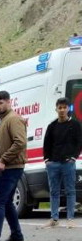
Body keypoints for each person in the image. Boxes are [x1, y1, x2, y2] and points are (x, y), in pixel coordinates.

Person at [0, 90, 27, 241]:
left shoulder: (13, 119)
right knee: (7, 203)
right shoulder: (3, 120)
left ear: (8, 102)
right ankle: (17, 235)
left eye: (0, 103)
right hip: (7, 167)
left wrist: (3, 160)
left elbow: (20, 143)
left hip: (11, 167)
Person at [43, 97, 82, 227]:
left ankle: (70, 219)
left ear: (68, 109)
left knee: (70, 191)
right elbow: (47, 143)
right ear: (56, 109)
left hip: (68, 163)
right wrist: (47, 160)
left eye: (64, 107)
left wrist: (74, 157)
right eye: (60, 107)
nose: (62, 110)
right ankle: (54, 219)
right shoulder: (52, 126)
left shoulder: (75, 125)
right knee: (54, 192)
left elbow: (79, 143)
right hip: (53, 164)